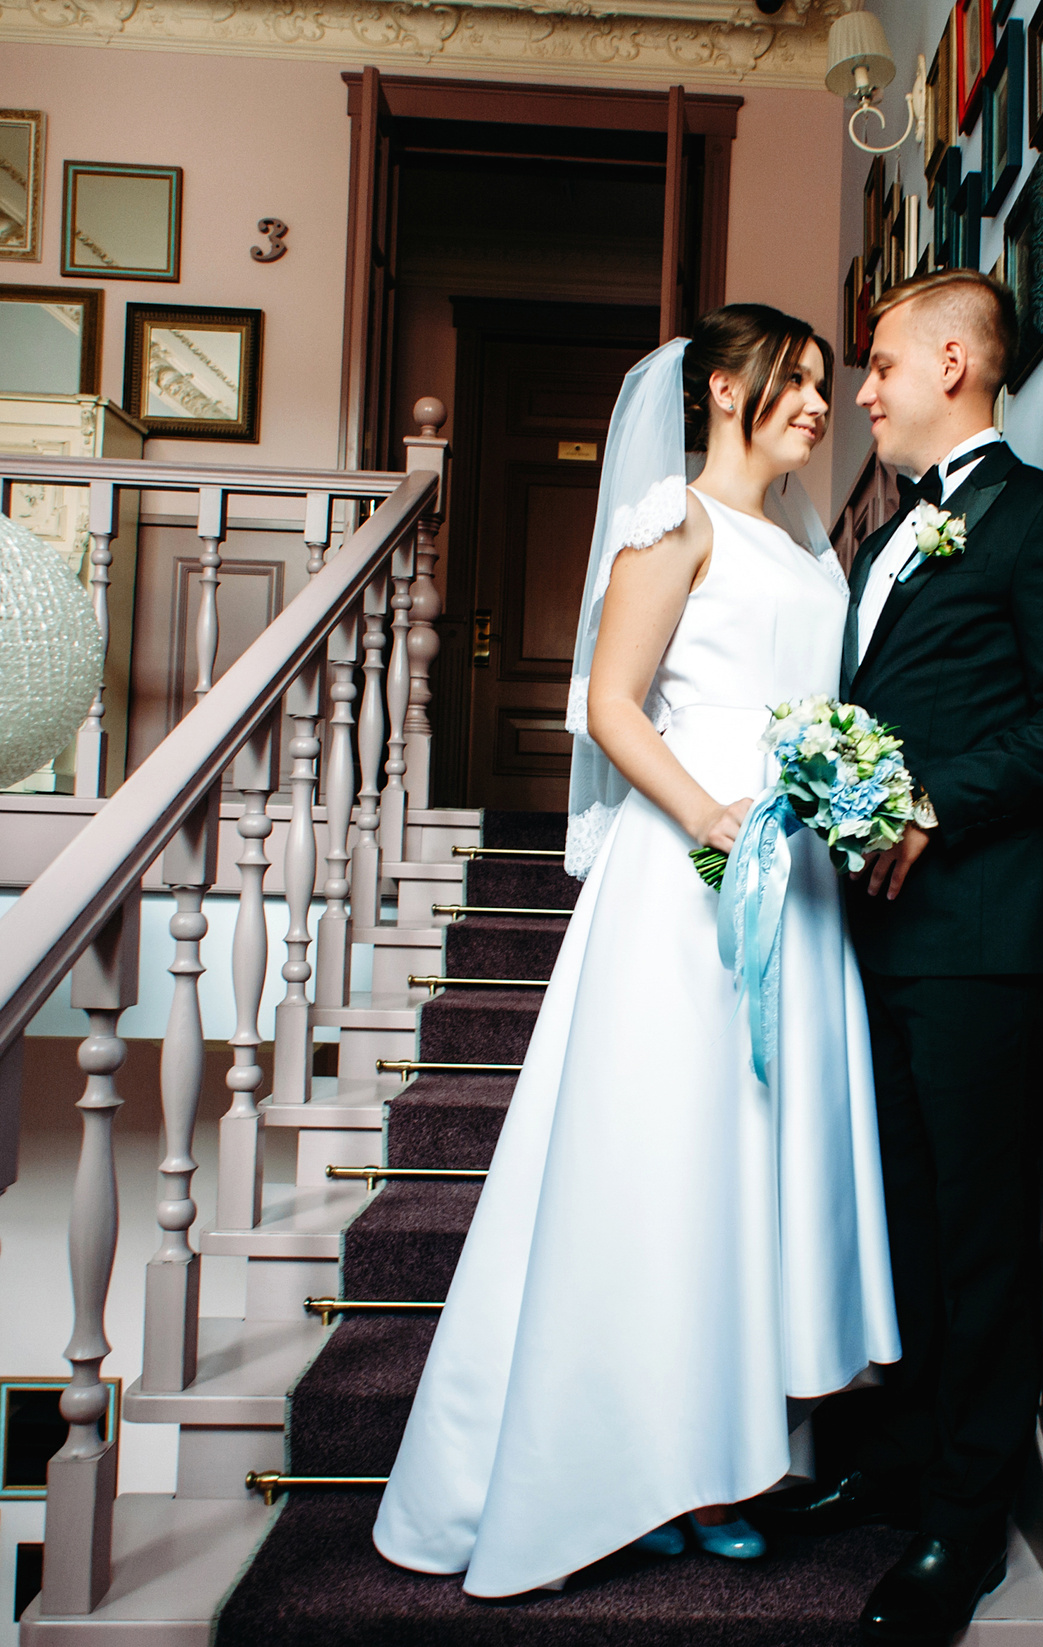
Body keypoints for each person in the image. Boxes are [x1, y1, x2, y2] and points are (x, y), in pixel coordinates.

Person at [371, 306, 901, 1597]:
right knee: (670, 1162)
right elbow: (611, 703)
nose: (819, 405)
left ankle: (732, 1457)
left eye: (829, 387)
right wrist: (709, 812)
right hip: (688, 882)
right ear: (723, 387)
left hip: (800, 882)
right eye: (794, 381)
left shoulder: (807, 552)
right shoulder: (676, 523)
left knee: (753, 1165)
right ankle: (635, 1457)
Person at [758, 268, 1043, 1647]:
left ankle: (968, 1526)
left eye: (879, 364)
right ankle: (901, 1466)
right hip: (882, 940)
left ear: (958, 363)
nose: (861, 391)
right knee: (902, 1218)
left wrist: (931, 800)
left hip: (982, 939)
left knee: (977, 1238)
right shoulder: (887, 534)